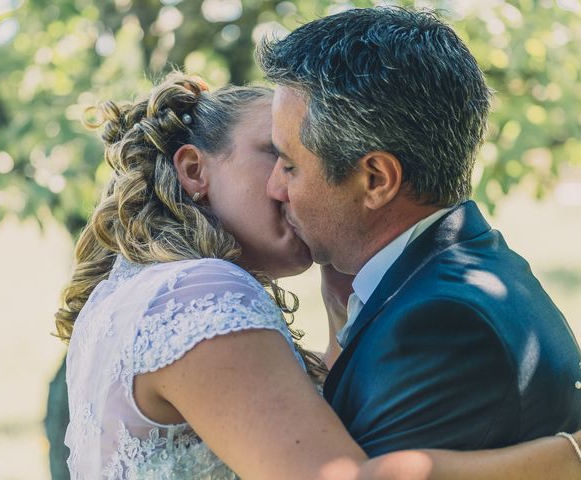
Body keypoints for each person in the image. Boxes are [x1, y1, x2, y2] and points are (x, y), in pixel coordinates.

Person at [55, 72, 581, 479]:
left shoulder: (132, 292)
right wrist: (571, 455)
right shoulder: (202, 293)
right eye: (278, 156)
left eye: (300, 162)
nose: (291, 185)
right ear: (195, 170)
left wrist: (339, 333)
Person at [258, 6, 581, 455]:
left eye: (289, 165)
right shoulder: (461, 269)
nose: (274, 187)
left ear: (376, 180)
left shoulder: (442, 325)